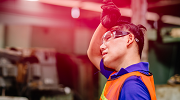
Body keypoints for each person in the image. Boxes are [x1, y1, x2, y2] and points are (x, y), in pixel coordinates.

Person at [87, 0, 156, 100]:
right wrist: (104, 25)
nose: (101, 47)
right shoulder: (119, 76)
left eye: (109, 37)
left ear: (129, 39)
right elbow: (93, 54)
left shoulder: (132, 87)